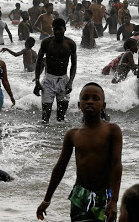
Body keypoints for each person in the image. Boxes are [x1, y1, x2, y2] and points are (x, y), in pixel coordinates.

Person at [36, 83, 122, 222]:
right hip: (80, 196)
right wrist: (47, 199)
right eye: (85, 98)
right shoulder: (73, 134)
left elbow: (116, 165)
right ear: (78, 104)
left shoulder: (112, 130)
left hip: (105, 196)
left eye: (95, 98)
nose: (90, 101)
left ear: (103, 105)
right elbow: (60, 167)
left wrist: (114, 200)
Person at [34, 18, 77, 123]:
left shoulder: (70, 44)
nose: (57, 32)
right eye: (55, 29)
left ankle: (59, 139)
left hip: (64, 80)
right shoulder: (46, 42)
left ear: (65, 29)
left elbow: (74, 64)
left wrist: (70, 82)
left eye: (60, 29)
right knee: (45, 118)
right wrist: (37, 81)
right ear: (52, 29)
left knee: (61, 118)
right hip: (49, 80)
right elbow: (38, 61)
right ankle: (45, 138)